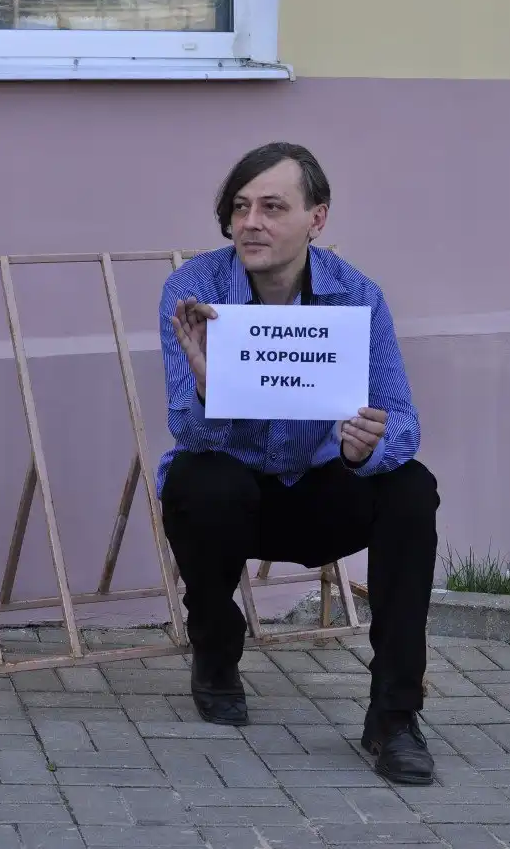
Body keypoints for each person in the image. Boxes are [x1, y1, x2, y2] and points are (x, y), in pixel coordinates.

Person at [157, 142, 440, 785]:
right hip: (234, 499)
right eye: (240, 208)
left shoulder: (356, 296)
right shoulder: (195, 290)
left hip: (322, 491)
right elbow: (185, 429)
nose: (251, 223)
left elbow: (402, 418)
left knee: (411, 488)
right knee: (199, 480)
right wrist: (207, 388)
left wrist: (367, 445)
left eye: (272, 207)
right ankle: (215, 650)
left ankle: (394, 715)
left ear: (317, 218)